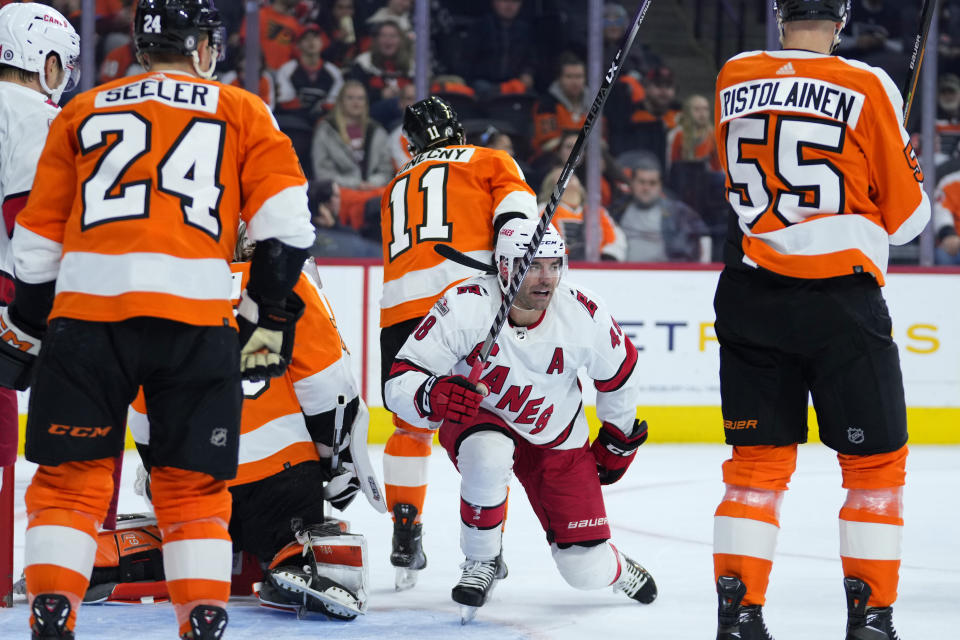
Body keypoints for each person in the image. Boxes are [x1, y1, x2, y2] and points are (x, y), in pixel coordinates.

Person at [0, 0, 316, 638]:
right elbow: (287, 228)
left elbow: (35, 249)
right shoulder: (241, 108)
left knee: (69, 480)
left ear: (141, 47)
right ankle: (201, 612)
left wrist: (29, 332)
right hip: (196, 322)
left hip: (89, 320)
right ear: (201, 46)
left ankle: (52, 605)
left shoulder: (83, 111)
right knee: (194, 486)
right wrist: (266, 319)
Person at [711, 1, 931, 638]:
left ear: (779, 12)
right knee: (875, 467)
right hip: (840, 303)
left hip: (750, 293)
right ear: (842, 15)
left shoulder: (733, 73)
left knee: (754, 466)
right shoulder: (868, 84)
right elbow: (910, 220)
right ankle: (870, 618)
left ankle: (738, 615)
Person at [383, 218, 657, 622]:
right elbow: (399, 380)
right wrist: (434, 393)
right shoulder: (465, 305)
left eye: (554, 265)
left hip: (557, 433)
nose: (546, 279)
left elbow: (620, 375)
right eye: (532, 266)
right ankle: (482, 560)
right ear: (505, 267)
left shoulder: (583, 313)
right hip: (482, 415)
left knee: (583, 570)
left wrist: (617, 438)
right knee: (488, 454)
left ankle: (613, 567)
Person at [117, 227, 384, 619]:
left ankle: (148, 553)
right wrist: (334, 461)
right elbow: (329, 390)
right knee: (298, 537)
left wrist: (162, 473)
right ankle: (296, 559)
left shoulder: (166, 295)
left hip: (196, 482)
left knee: (192, 530)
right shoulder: (286, 285)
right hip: (280, 478)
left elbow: (141, 413)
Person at [378, 96, 537, 590]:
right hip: (464, 306)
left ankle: (406, 529)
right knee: (491, 427)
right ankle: (488, 548)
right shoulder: (489, 159)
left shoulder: (394, 185)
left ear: (409, 145)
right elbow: (518, 222)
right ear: (458, 131)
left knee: (410, 424)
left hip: (401, 311)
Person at [0, 2, 79, 598]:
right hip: (18, 299)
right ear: (42, 58)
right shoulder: (42, 118)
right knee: (77, 438)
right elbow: (28, 224)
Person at [619, 153, 711, 263]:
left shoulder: (677, 212)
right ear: (632, 183)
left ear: (660, 186)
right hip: (624, 275)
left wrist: (703, 270)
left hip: (665, 275)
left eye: (652, 183)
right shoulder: (618, 210)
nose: (646, 188)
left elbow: (704, 235)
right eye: (641, 182)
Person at [538, 168, 626, 261]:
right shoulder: (545, 210)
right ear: (551, 185)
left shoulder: (597, 212)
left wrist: (607, 257)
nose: (569, 176)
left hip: (596, 266)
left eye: (572, 174)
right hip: (559, 266)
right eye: (561, 174)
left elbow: (617, 241)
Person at [532, 53, 590, 154]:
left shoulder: (595, 102)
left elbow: (602, 140)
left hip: (586, 158)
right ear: (559, 78)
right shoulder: (546, 104)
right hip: (552, 160)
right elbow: (547, 145)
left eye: (579, 76)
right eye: (569, 77)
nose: (575, 82)